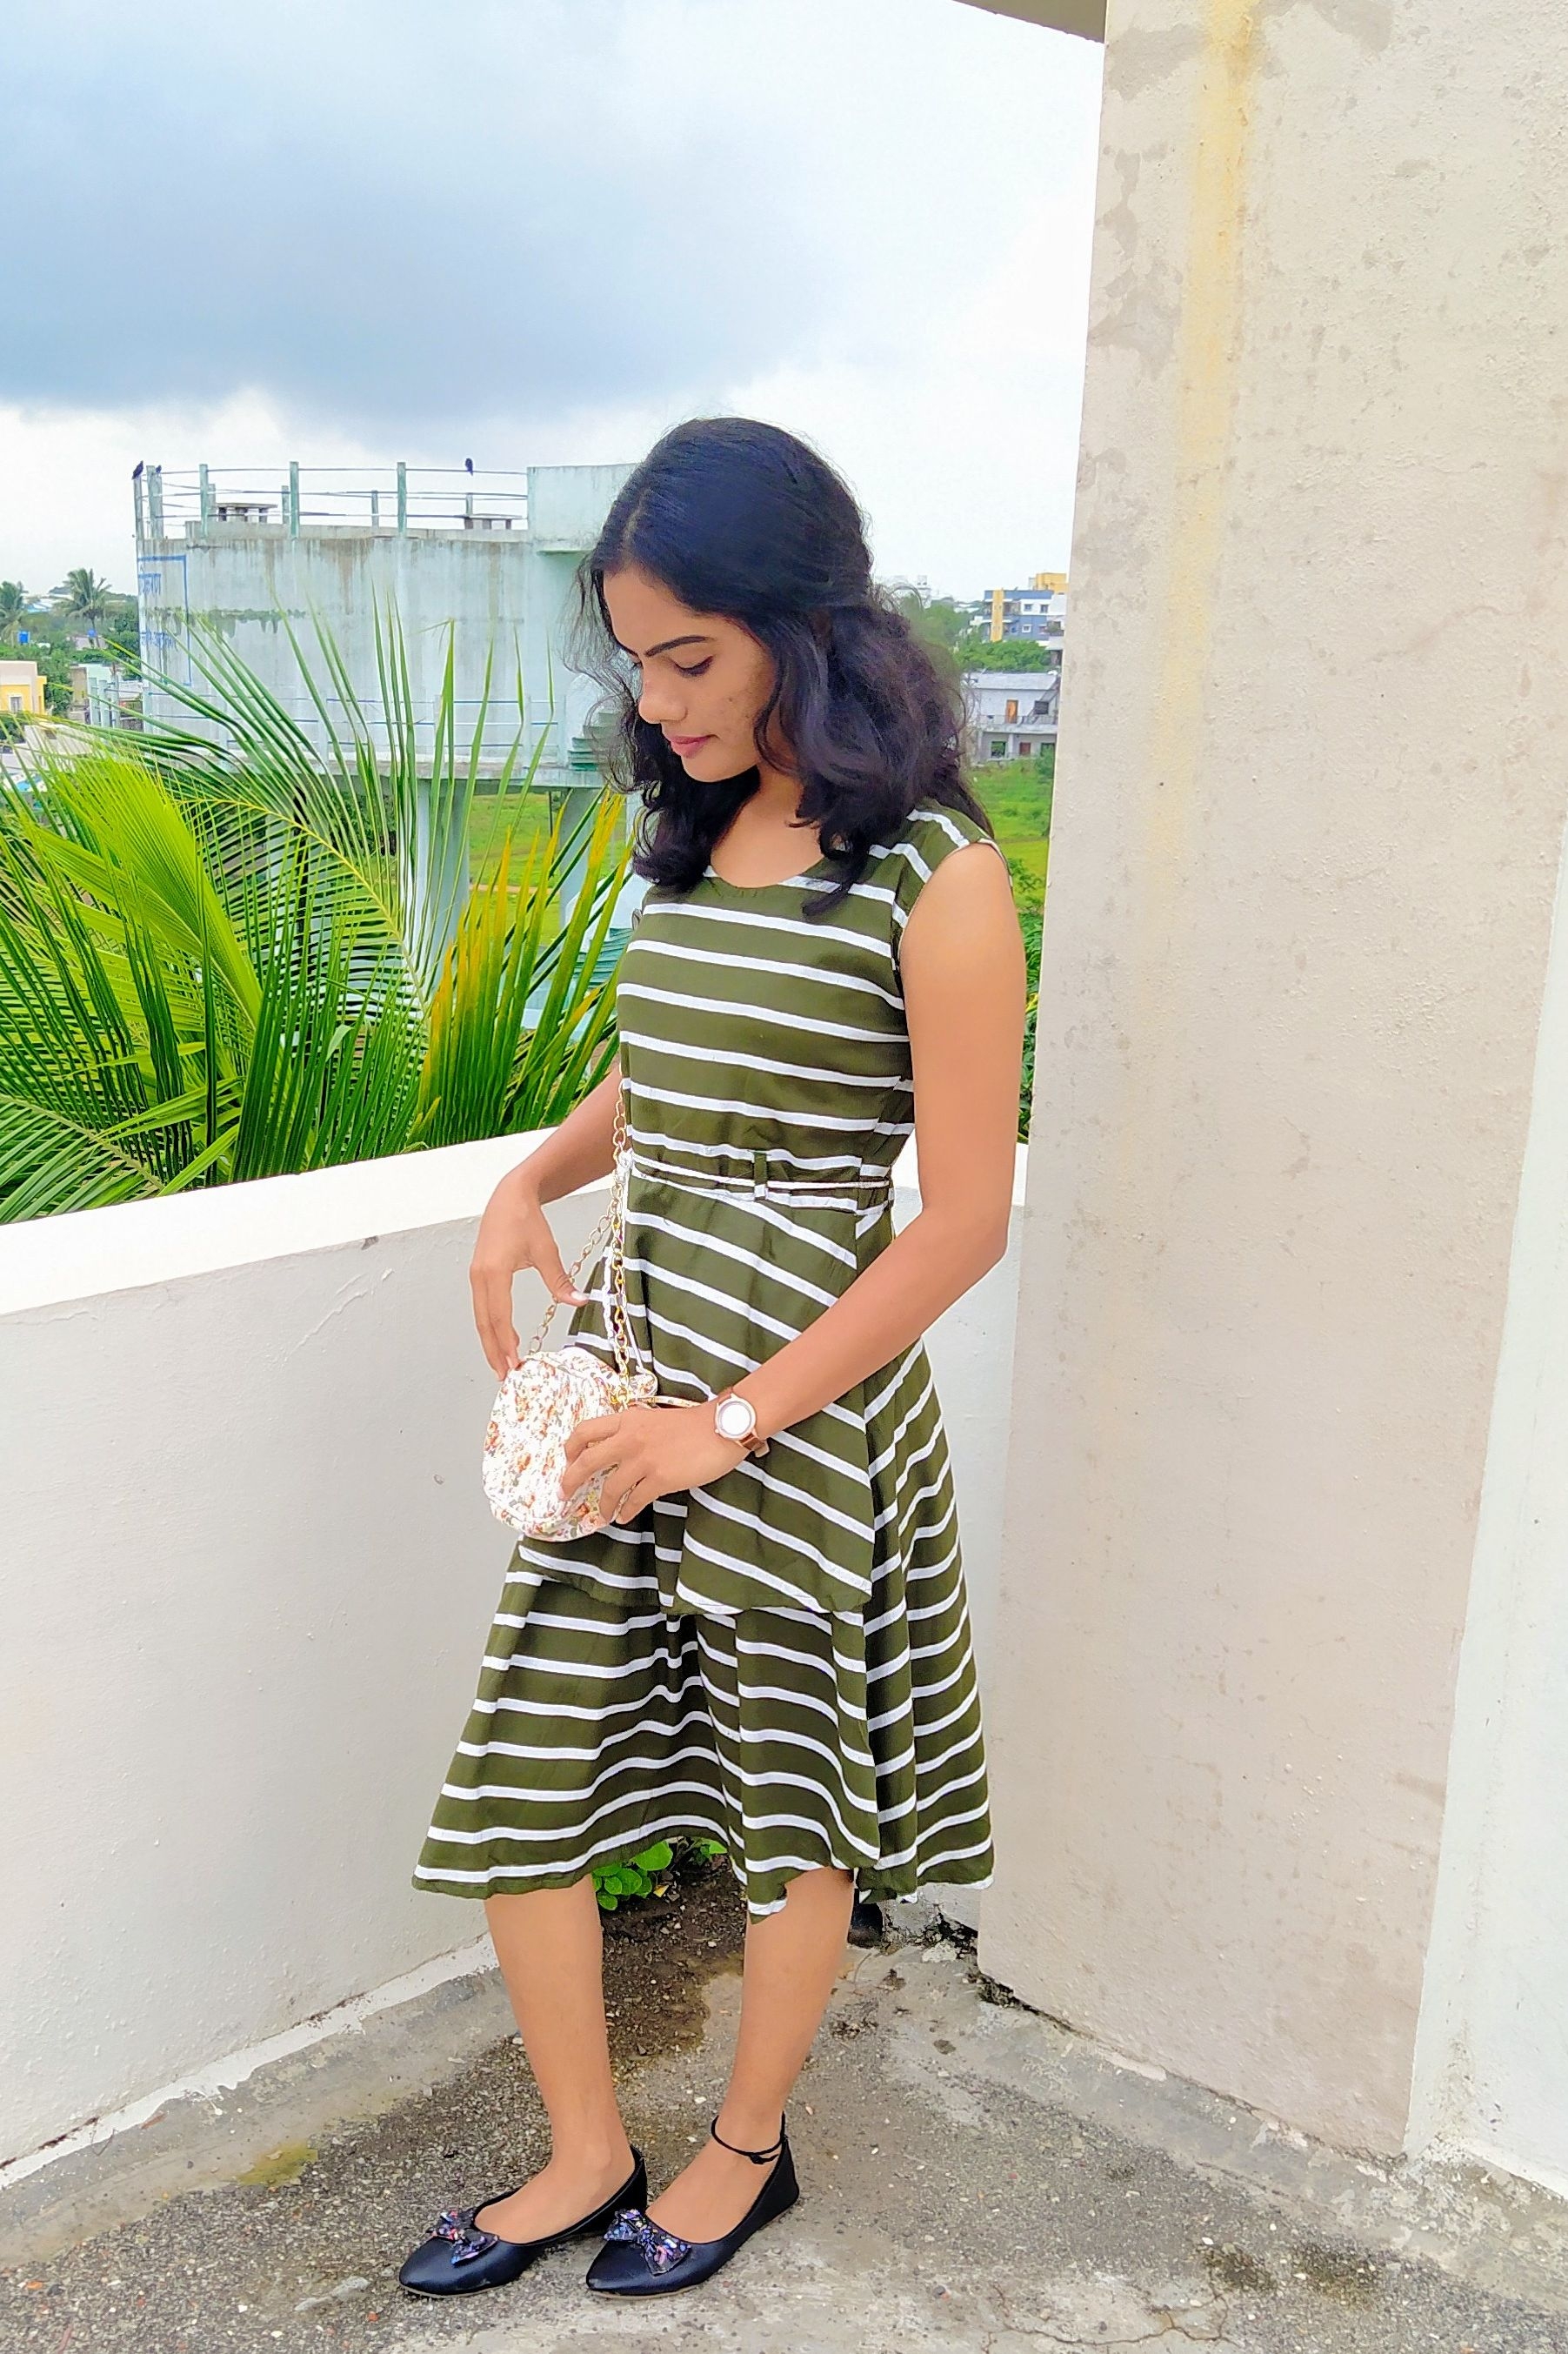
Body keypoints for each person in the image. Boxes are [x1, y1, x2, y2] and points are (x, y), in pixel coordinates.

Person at [398, 417, 1026, 2302]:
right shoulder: (687, 833)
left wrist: (730, 1424)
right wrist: (529, 1178)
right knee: (525, 1774)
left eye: (689, 657)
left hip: (794, 1406)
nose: (654, 702)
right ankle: (586, 2147)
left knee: (784, 1797)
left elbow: (963, 1219)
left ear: (803, 629)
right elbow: (663, 1074)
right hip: (635, 1366)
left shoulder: (935, 874)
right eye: (634, 660)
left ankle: (745, 2150)